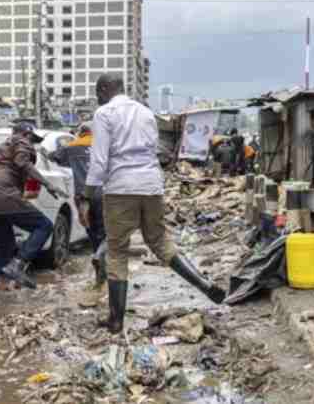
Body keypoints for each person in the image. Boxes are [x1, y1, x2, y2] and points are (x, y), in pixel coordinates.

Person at [83, 74, 226, 334]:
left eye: (97, 92)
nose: (97, 97)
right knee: (159, 241)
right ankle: (203, 284)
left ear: (104, 89)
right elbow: (155, 151)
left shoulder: (104, 114)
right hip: (151, 185)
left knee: (117, 251)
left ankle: (116, 319)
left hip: (121, 187)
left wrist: (86, 195)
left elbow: (99, 161)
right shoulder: (146, 112)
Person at [0, 123, 68, 297]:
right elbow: (22, 162)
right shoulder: (21, 141)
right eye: (33, 140)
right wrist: (47, 184)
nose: (33, 145)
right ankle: (18, 264)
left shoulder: (3, 149)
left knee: (6, 245)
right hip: (5, 195)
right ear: (27, 134)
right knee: (44, 226)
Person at [49, 122, 107, 307]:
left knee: (91, 231)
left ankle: (98, 265)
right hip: (105, 194)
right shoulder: (103, 145)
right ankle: (101, 268)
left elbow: (54, 157)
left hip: (83, 196)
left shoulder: (72, 146)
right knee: (107, 233)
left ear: (80, 133)